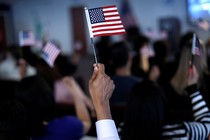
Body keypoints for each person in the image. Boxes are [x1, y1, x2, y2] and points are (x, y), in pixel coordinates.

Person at [89, 63, 210, 140]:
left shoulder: (121, 131)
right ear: (162, 106)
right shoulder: (182, 132)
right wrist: (193, 90)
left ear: (130, 107)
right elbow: (207, 125)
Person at [15, 74, 92, 140]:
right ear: (48, 97)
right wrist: (74, 89)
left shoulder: (12, 129)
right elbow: (86, 122)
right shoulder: (65, 127)